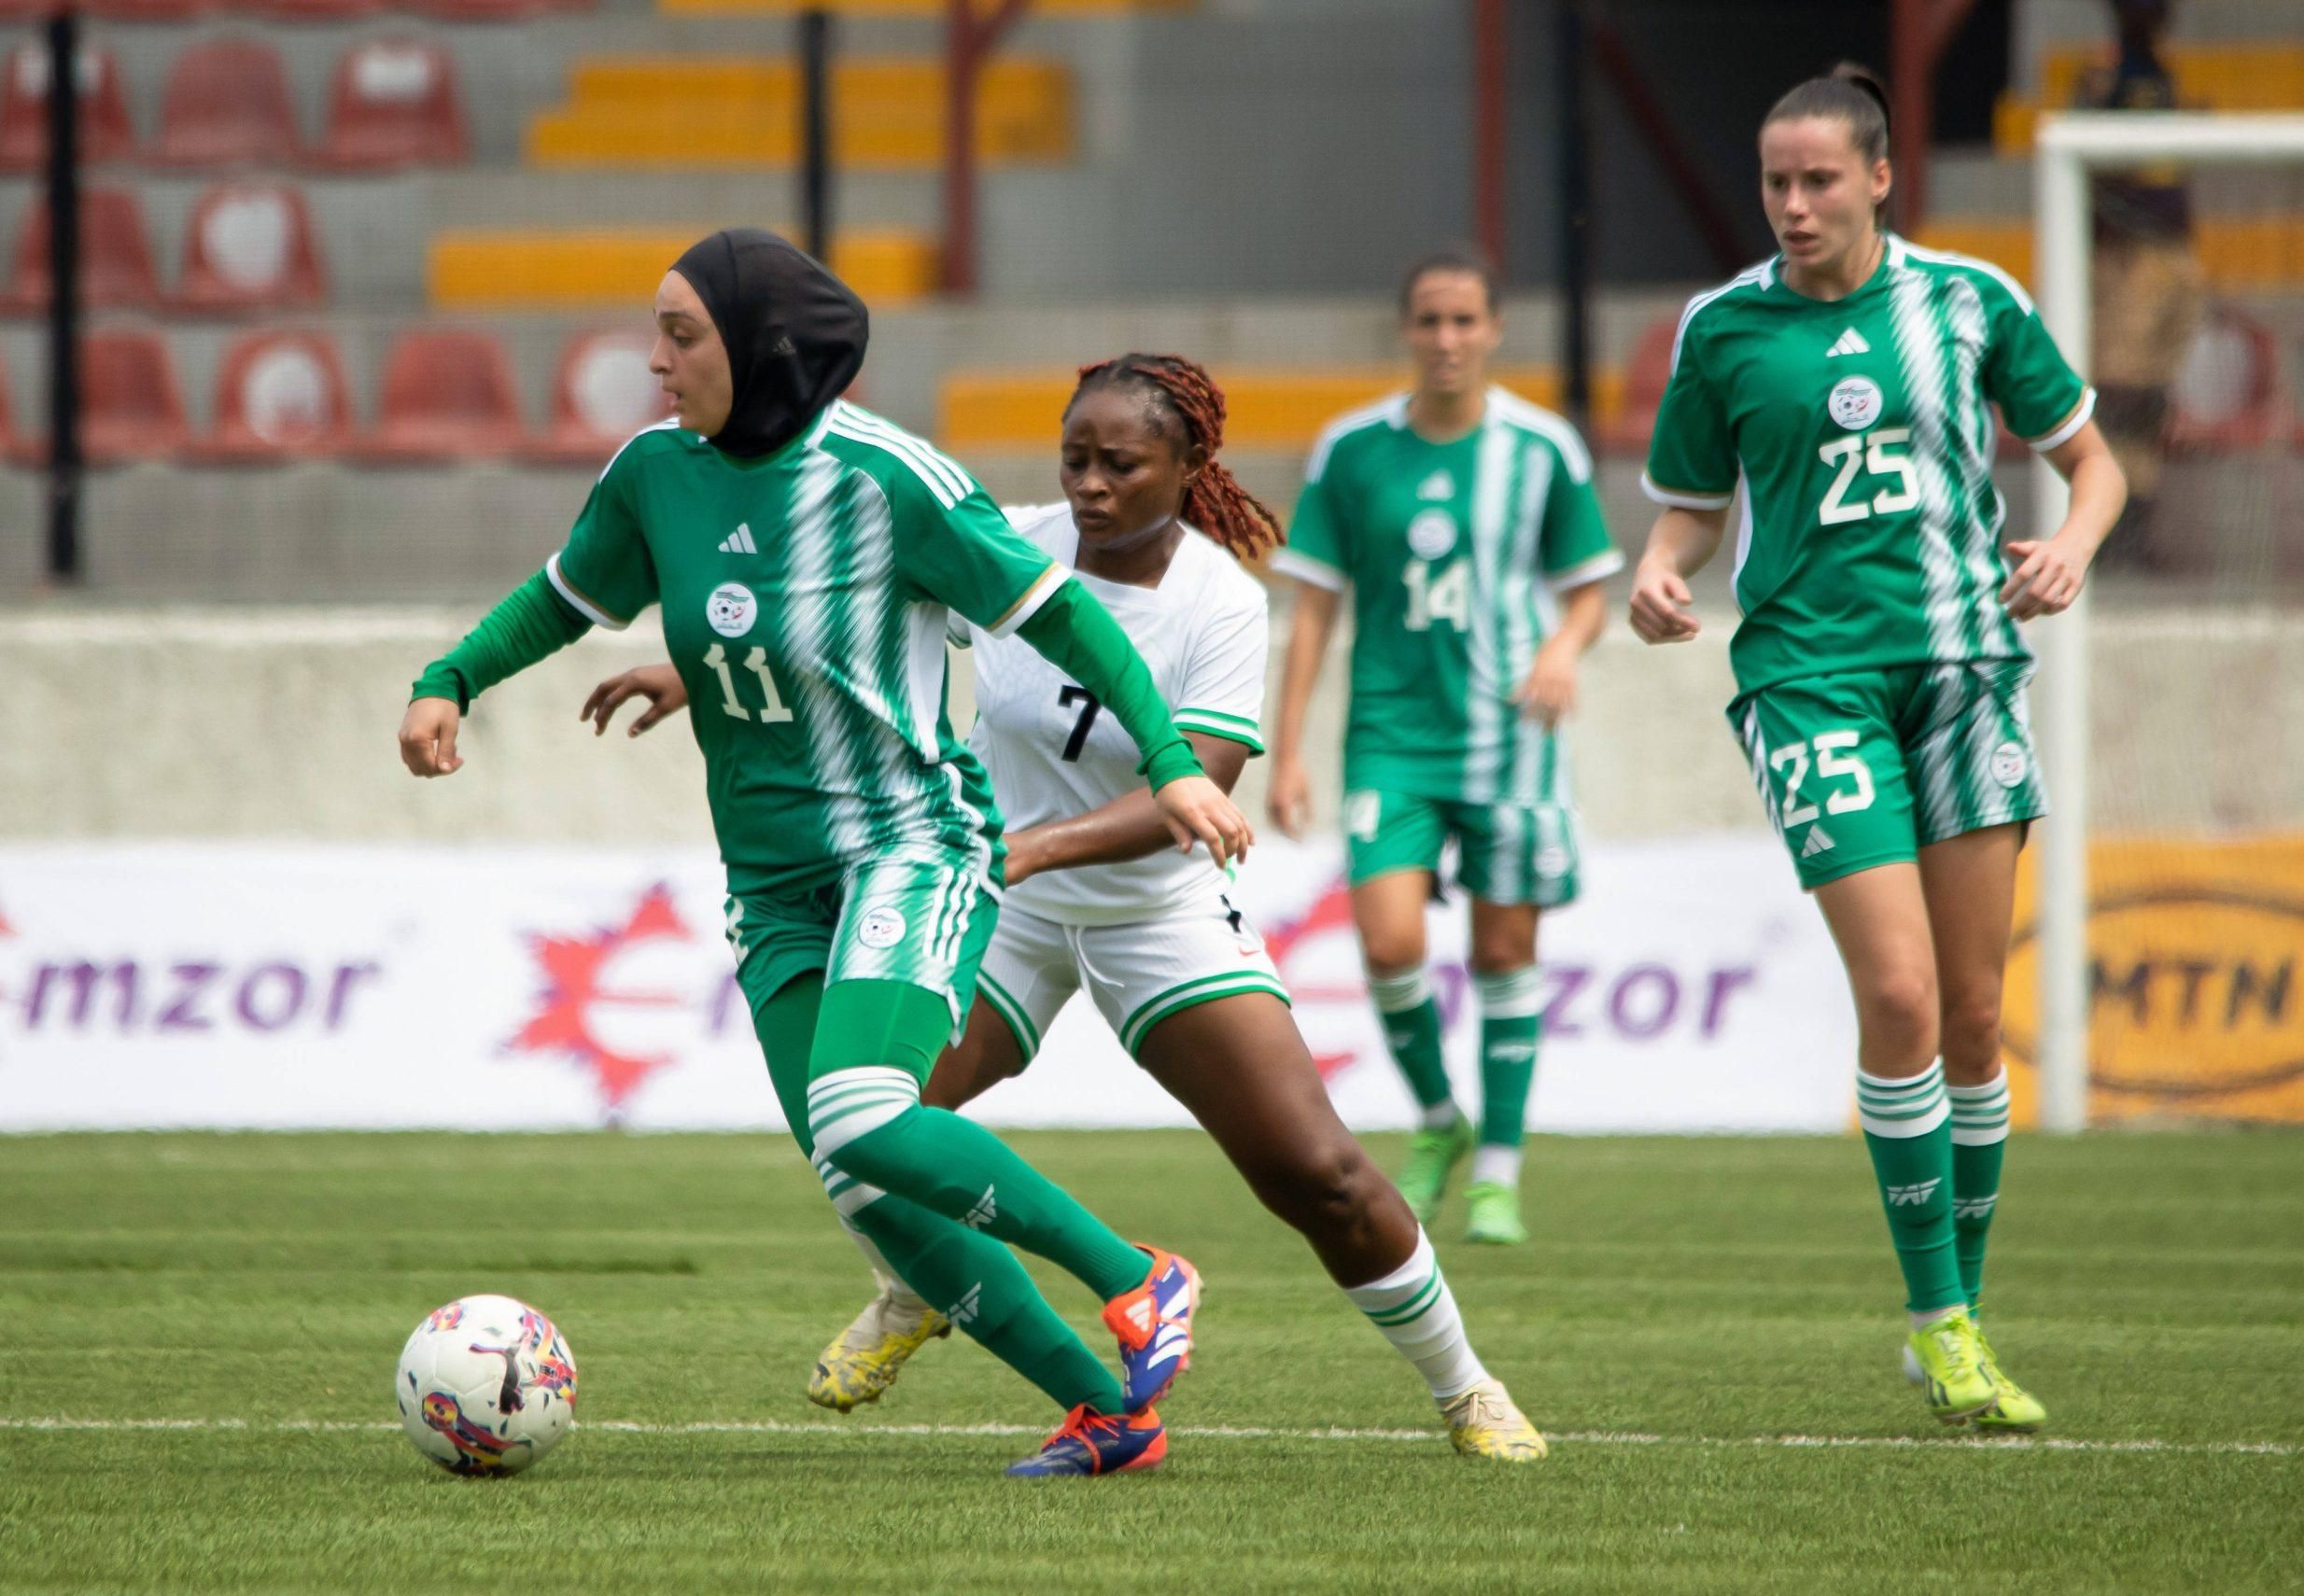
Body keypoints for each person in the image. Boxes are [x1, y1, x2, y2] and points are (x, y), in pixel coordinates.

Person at [398, 231, 1257, 1478]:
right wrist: (452, 678)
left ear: (761, 349)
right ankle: (1106, 1413)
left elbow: (1065, 613)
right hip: (771, 879)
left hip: (910, 845)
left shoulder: (887, 477)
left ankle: (1139, 1275)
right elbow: (565, 597)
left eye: (681, 335)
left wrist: (1171, 760)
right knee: (860, 1177)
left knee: (865, 1112)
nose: (655, 360)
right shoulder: (655, 472)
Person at [583, 353, 1548, 1461]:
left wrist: (1032, 850)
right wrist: (696, 668)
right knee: (861, 1122)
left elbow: (1200, 783)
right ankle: (925, 1290)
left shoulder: (1221, 602)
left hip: (1153, 913)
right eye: (1075, 458)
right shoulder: (1013, 541)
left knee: (1316, 1173)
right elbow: (851, 614)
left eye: (1120, 465)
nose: (1090, 484)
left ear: (1187, 466)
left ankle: (1466, 1389)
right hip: (1003, 905)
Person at [1630, 67, 2128, 1432]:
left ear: (1880, 178)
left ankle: (1959, 1302)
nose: (1793, 205)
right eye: (1775, 182)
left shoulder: (1969, 302)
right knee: (1899, 995)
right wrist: (1659, 572)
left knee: (1972, 1016)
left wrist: (2071, 547)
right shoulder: (1724, 327)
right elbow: (1689, 506)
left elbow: (2095, 464)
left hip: (1965, 673)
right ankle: (1939, 1319)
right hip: (1810, 681)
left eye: (1819, 180)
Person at [1269, 249, 1620, 1246]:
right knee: (1388, 943)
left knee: (1505, 951)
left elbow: (1588, 591)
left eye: (1465, 320)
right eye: (1429, 320)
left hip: (1510, 736)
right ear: (1405, 330)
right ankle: (1437, 1117)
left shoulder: (1542, 449)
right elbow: (1313, 609)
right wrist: (1285, 752)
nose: (1447, 339)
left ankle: (1499, 1168)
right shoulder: (1351, 450)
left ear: (1495, 329)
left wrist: (1561, 648)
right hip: (1389, 737)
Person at [2070, 0, 2199, 567]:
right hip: (2128, 256)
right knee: (2121, 391)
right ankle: (2114, 529)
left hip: (2173, 253)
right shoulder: (2103, 82)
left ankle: (2137, 520)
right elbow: (2087, 170)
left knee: (2153, 395)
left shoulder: (2165, 78)